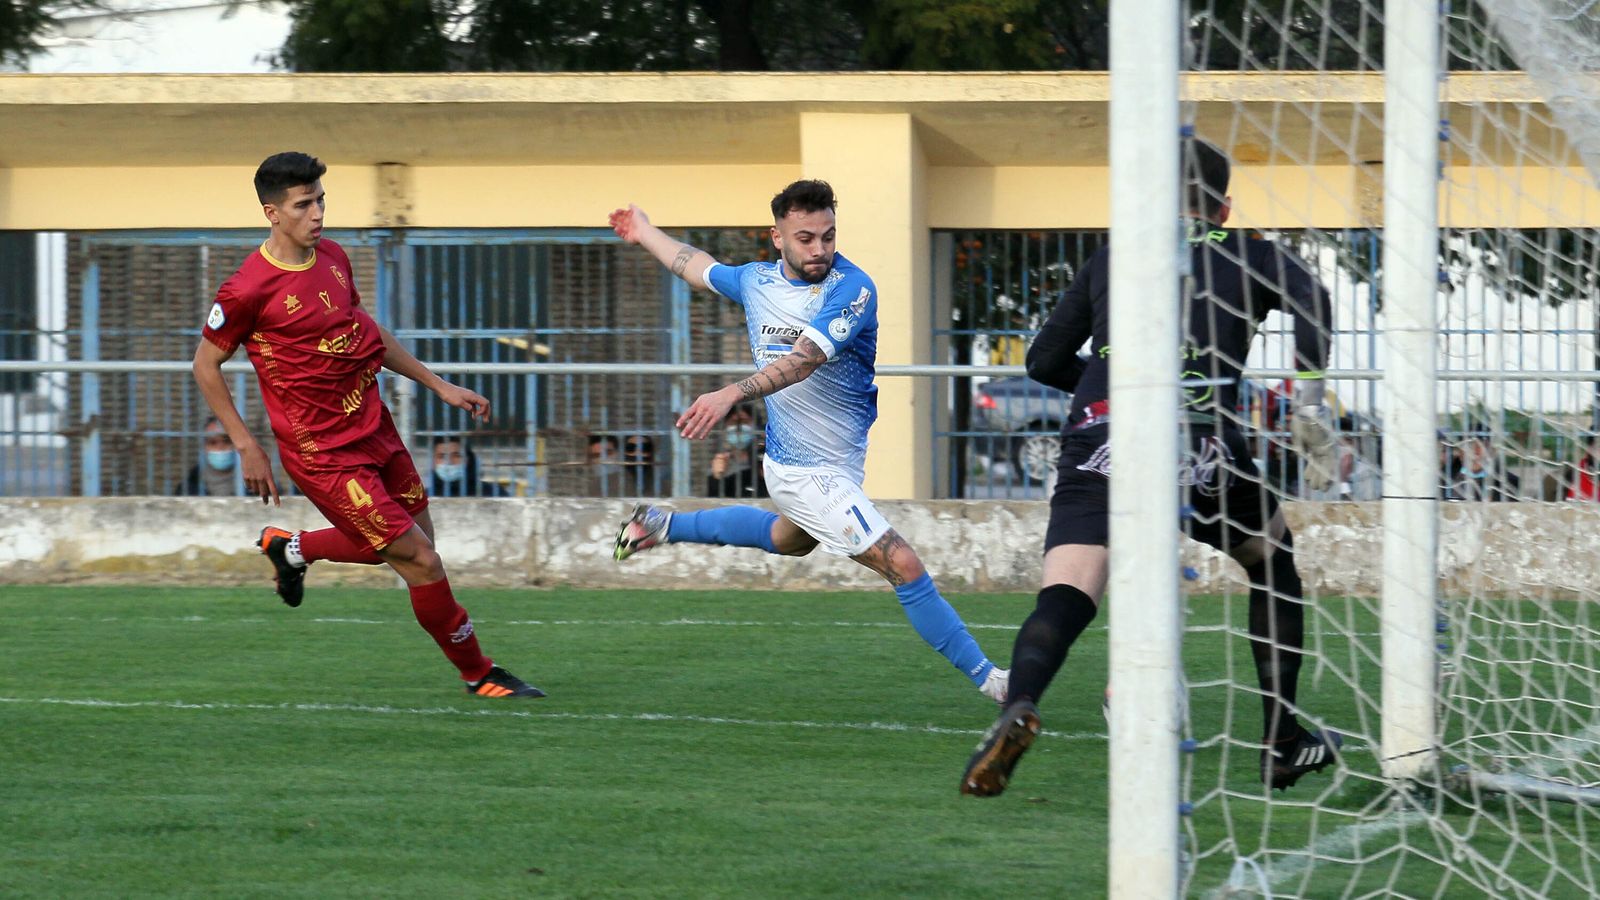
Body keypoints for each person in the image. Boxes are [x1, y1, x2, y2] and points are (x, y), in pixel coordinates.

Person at [960, 138, 1340, 797]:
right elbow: (1313, 301)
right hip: (1197, 441)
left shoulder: (1115, 256)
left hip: (1098, 436)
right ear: (1222, 208)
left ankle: (1018, 704)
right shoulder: (1249, 252)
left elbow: (1043, 361)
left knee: (1069, 589)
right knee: (1271, 562)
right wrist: (1307, 396)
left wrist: (1102, 394)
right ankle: (1282, 741)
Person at [607, 180, 1008, 703]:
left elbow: (806, 359)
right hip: (801, 469)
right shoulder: (754, 281)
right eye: (805, 238)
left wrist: (732, 392)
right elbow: (695, 265)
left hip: (839, 464)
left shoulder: (852, 288)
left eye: (827, 236)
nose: (819, 249)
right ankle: (995, 682)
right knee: (903, 564)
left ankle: (664, 524)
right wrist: (645, 231)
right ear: (777, 238)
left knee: (789, 540)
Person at [191, 151, 542, 699]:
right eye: (304, 205)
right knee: (420, 561)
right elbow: (205, 364)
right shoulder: (247, 289)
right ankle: (480, 674)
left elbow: (366, 332)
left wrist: (439, 385)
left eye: (321, 200)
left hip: (374, 426)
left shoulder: (332, 256)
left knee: (419, 543)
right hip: (322, 452)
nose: (318, 214)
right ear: (272, 213)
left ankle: (293, 548)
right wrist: (245, 444)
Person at [707, 404, 767, 499]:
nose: (738, 428)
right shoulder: (721, 463)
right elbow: (713, 502)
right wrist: (717, 477)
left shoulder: (766, 458)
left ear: (756, 427)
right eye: (733, 423)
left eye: (744, 422)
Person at [174, 417, 244, 496]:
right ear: (204, 447)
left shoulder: (254, 484)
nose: (220, 447)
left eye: (226, 441)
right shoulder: (189, 488)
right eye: (212, 442)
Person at [430, 436, 509, 498]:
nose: (449, 462)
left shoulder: (494, 493)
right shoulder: (423, 498)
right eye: (441, 456)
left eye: (457, 456)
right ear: (433, 463)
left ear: (468, 460)